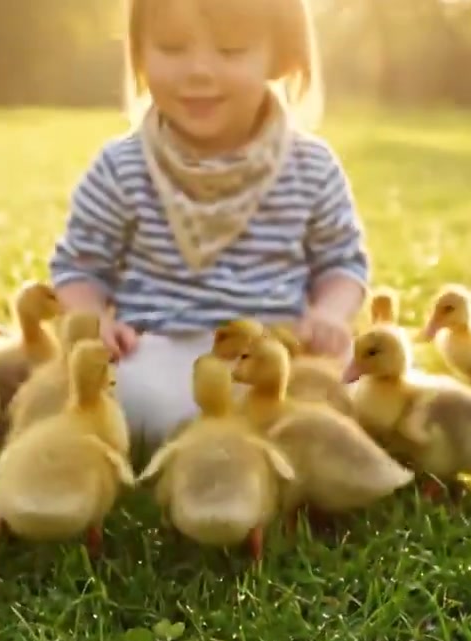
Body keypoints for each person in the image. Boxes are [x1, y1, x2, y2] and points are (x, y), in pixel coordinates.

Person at [48, 0, 371, 454]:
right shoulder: (122, 167)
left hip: (270, 357)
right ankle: (221, 435)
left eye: (232, 50)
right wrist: (95, 319)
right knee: (128, 391)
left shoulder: (311, 167)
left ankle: (259, 428)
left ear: (278, 57)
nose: (198, 70)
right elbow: (79, 267)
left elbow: (342, 264)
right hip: (160, 354)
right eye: (171, 48)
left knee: (344, 388)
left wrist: (331, 314)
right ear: (139, 53)